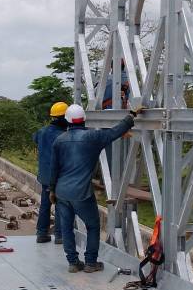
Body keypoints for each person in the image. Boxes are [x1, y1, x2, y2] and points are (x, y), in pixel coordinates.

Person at [50, 102, 141, 273]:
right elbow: (116, 131)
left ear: (68, 121)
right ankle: (91, 262)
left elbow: (54, 169)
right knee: (92, 225)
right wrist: (131, 116)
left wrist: (52, 190)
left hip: (62, 192)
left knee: (67, 227)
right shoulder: (93, 137)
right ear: (83, 119)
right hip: (81, 193)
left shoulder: (59, 140)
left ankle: (73, 263)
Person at [32, 101, 69, 244]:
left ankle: (42, 233)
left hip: (44, 176)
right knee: (60, 206)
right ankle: (59, 235)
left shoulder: (41, 132)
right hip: (59, 177)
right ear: (63, 118)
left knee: (45, 205)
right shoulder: (62, 136)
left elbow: (35, 138)